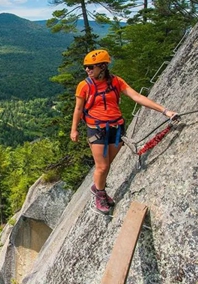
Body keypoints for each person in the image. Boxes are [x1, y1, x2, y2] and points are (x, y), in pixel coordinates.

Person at [70, 49, 177, 214]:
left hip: (116, 128)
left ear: (103, 66)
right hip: (96, 130)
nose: (87, 70)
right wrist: (74, 129)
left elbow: (137, 97)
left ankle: (97, 186)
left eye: (91, 67)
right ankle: (100, 194)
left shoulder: (116, 82)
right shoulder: (84, 86)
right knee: (103, 166)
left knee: (107, 165)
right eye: (86, 67)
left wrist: (165, 111)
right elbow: (78, 109)